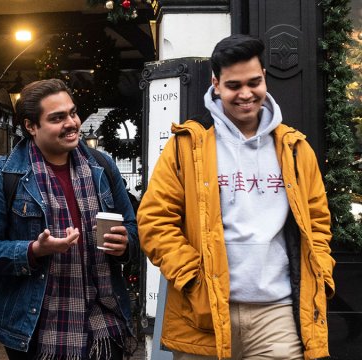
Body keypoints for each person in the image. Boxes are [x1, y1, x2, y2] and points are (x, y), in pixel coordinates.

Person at [137, 34, 335, 359]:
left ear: (264, 78)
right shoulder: (187, 146)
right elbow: (154, 221)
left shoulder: (295, 148)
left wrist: (321, 271)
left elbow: (318, 221)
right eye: (233, 85)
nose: (245, 94)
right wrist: (192, 279)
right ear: (216, 84)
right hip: (204, 312)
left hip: (279, 314)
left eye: (254, 82)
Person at [0, 79, 140, 360]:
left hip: (104, 324)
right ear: (31, 126)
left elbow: (132, 228)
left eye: (72, 113)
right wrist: (33, 251)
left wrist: (125, 244)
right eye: (57, 118)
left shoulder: (102, 168)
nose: (71, 123)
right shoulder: (2, 176)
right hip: (36, 329)